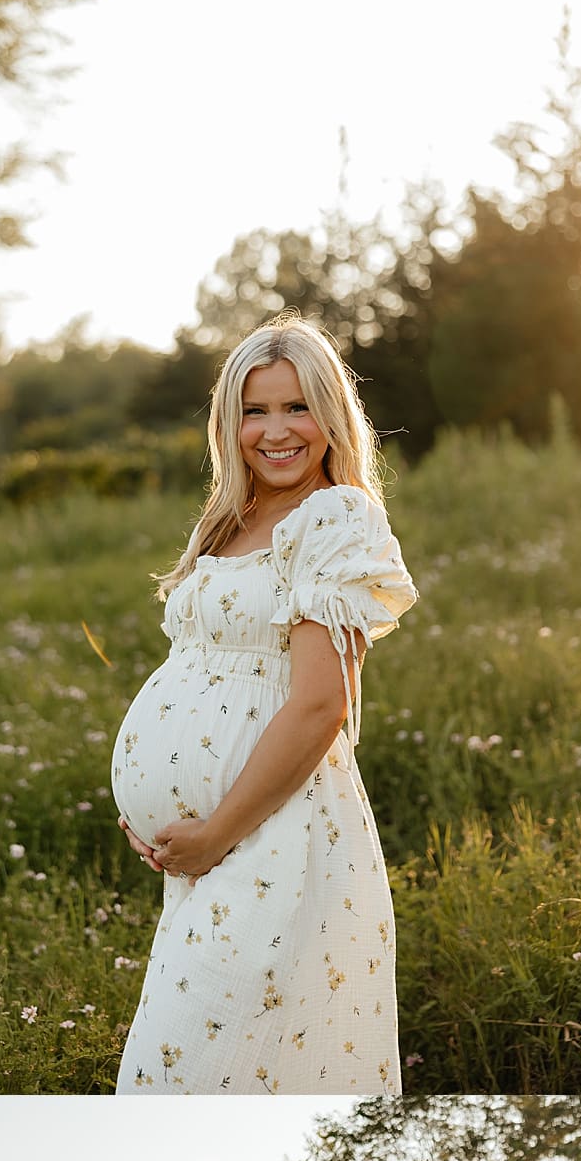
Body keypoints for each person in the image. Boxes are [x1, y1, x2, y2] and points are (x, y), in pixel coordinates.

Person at [111, 314, 417, 1093]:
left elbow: (320, 707)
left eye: (296, 407)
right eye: (255, 409)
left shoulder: (335, 517)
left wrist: (212, 829)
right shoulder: (230, 520)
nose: (275, 430)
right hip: (207, 856)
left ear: (331, 417)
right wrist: (158, 802)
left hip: (272, 838)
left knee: (195, 1076)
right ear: (229, 421)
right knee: (200, 1066)